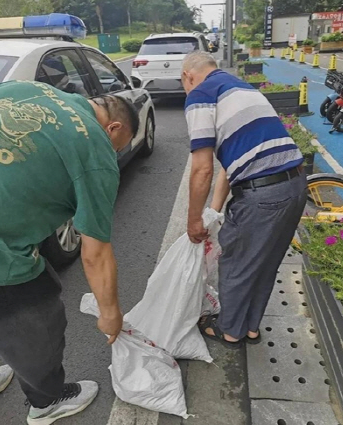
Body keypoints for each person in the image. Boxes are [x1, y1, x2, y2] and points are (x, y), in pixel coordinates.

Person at [0, 81, 139, 424]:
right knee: (35, 311)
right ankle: (46, 402)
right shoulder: (94, 147)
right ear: (114, 126)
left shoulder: (30, 87)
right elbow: (95, 252)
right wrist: (110, 314)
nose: (115, 155)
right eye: (117, 147)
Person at [181, 51, 307, 349]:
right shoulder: (240, 88)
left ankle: (230, 330)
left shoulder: (200, 94)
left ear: (188, 76)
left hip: (263, 196)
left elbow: (202, 168)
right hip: (295, 186)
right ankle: (250, 327)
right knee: (265, 262)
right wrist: (212, 211)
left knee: (237, 262)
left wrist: (193, 220)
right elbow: (230, 162)